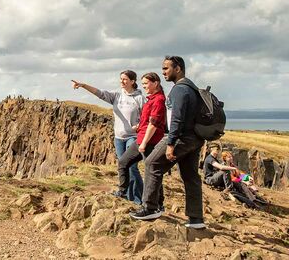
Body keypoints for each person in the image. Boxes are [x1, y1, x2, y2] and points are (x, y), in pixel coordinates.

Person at [130, 55, 206, 230]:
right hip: (195, 138)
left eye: (166, 68)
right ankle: (196, 219)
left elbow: (177, 119)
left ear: (177, 68)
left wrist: (171, 143)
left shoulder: (179, 89)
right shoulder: (191, 87)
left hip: (180, 137)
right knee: (190, 176)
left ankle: (150, 208)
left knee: (151, 163)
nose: (163, 72)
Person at [72, 71, 145, 203]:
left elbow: (146, 116)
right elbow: (99, 93)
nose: (122, 81)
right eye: (121, 79)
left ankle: (139, 199)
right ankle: (127, 195)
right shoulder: (117, 96)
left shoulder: (139, 98)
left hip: (133, 137)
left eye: (125, 79)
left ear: (133, 81)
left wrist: (139, 125)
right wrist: (83, 85)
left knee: (132, 166)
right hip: (119, 138)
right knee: (123, 166)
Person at [113, 72, 166, 206]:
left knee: (152, 172)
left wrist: (144, 143)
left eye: (146, 83)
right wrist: (138, 126)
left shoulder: (159, 100)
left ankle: (158, 203)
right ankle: (123, 191)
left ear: (155, 83)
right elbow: (147, 121)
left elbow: (153, 124)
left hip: (149, 142)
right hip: (141, 138)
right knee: (123, 162)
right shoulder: (151, 99)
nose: (144, 86)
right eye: (142, 84)